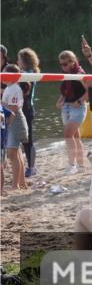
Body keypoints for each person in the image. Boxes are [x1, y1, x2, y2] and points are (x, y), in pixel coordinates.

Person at [55, 50, 88, 173]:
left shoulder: (79, 73)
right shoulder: (66, 74)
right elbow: (64, 92)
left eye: (65, 64)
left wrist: (79, 101)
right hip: (66, 107)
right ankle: (81, 165)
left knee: (68, 135)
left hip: (78, 107)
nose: (63, 67)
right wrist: (60, 101)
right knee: (75, 137)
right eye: (61, 64)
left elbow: (89, 91)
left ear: (73, 62)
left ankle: (71, 165)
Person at [1, 65, 29, 190]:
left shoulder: (14, 89)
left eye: (4, 74)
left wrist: (7, 125)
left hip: (15, 121)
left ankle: (15, 185)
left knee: (12, 153)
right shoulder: (10, 88)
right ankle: (21, 182)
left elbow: (13, 109)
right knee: (16, 152)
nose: (2, 76)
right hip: (14, 120)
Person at [15, 48, 39, 177]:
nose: (17, 61)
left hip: (27, 109)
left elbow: (24, 91)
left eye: (19, 59)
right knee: (24, 140)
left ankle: (31, 167)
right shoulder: (25, 72)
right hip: (24, 108)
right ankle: (28, 165)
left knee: (28, 140)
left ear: (24, 60)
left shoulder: (28, 73)